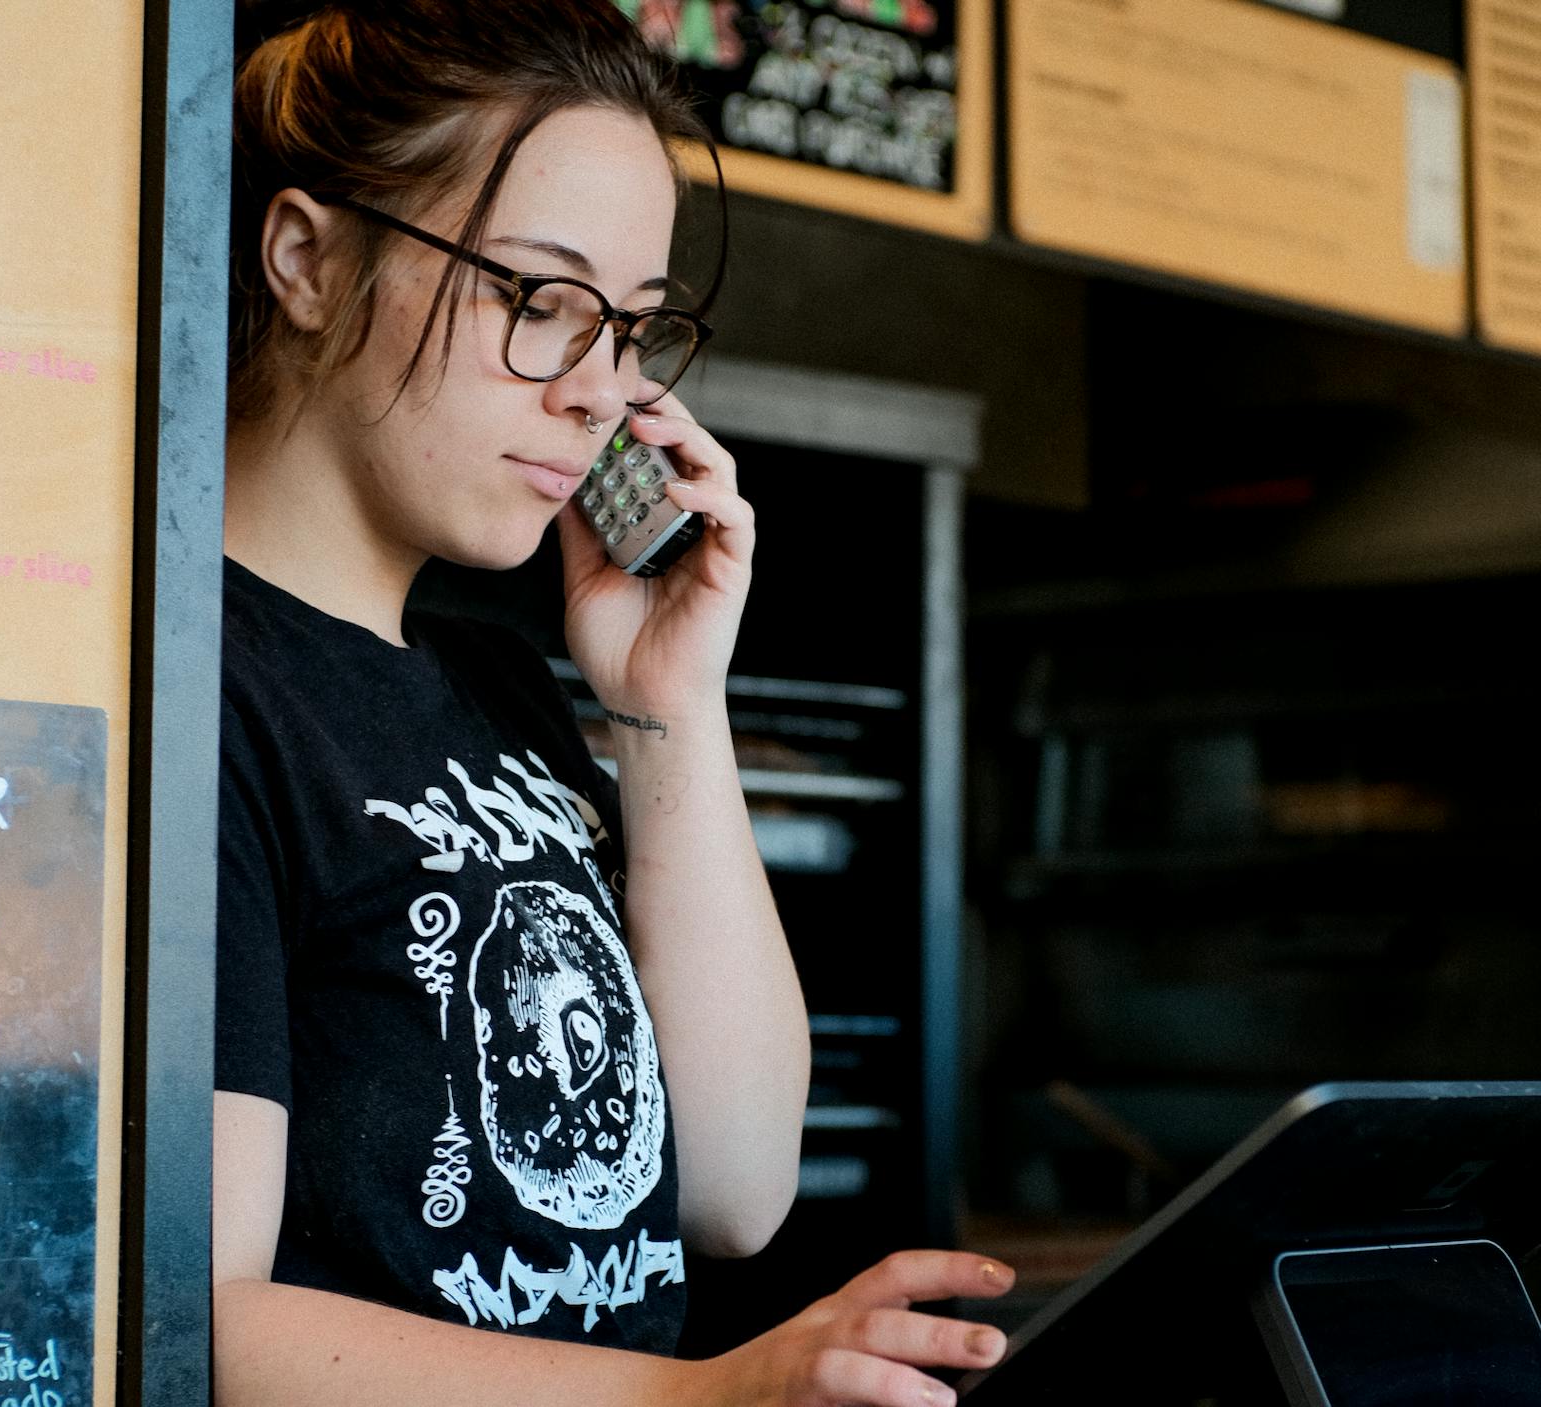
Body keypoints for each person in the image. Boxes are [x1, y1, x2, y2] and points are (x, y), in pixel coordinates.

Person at [212, 3, 1015, 1403]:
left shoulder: (508, 691)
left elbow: (733, 1181)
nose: (600, 394)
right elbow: (194, 1318)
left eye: (633, 328)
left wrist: (667, 705)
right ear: (306, 258)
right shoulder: (191, 692)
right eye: (539, 301)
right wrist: (699, 1398)